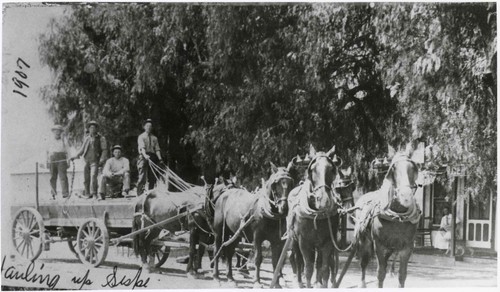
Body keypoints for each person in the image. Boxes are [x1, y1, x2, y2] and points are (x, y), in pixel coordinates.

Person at [71, 121, 108, 200]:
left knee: (93, 176)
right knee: (86, 178)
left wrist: (102, 159)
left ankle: (94, 193)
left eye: (94, 128)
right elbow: (82, 149)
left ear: (96, 129)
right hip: (87, 161)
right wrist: (75, 156)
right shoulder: (87, 138)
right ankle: (87, 194)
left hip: (95, 161)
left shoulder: (101, 138)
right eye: (90, 128)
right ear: (89, 129)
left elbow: (104, 150)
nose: (92, 129)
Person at [137, 119, 164, 195]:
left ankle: (150, 194)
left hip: (152, 157)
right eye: (147, 126)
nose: (149, 127)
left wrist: (160, 159)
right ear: (144, 127)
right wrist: (145, 156)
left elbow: (157, 149)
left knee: (152, 177)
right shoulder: (141, 137)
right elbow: (142, 148)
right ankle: (139, 194)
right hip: (143, 156)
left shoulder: (154, 138)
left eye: (150, 126)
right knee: (142, 177)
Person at [47, 125, 70, 199]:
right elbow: (47, 151)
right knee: (52, 177)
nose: (57, 132)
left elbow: (68, 151)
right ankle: (53, 193)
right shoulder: (50, 140)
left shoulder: (64, 140)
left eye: (59, 131)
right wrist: (47, 161)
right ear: (53, 132)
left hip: (61, 158)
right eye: (55, 131)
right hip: (52, 158)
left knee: (63, 176)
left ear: (61, 132)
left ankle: (65, 193)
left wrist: (68, 161)